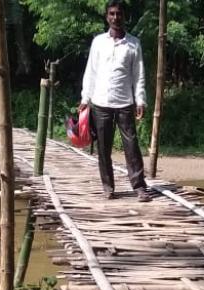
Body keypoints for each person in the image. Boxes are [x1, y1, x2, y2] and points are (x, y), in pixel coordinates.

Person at [79, 0, 151, 202]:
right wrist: (85, 98)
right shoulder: (98, 42)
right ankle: (108, 187)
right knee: (103, 147)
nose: (115, 17)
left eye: (119, 14)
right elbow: (90, 72)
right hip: (100, 103)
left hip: (125, 103)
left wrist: (141, 100)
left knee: (132, 146)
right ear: (106, 16)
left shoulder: (133, 43)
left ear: (124, 16)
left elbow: (139, 76)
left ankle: (139, 187)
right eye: (111, 14)